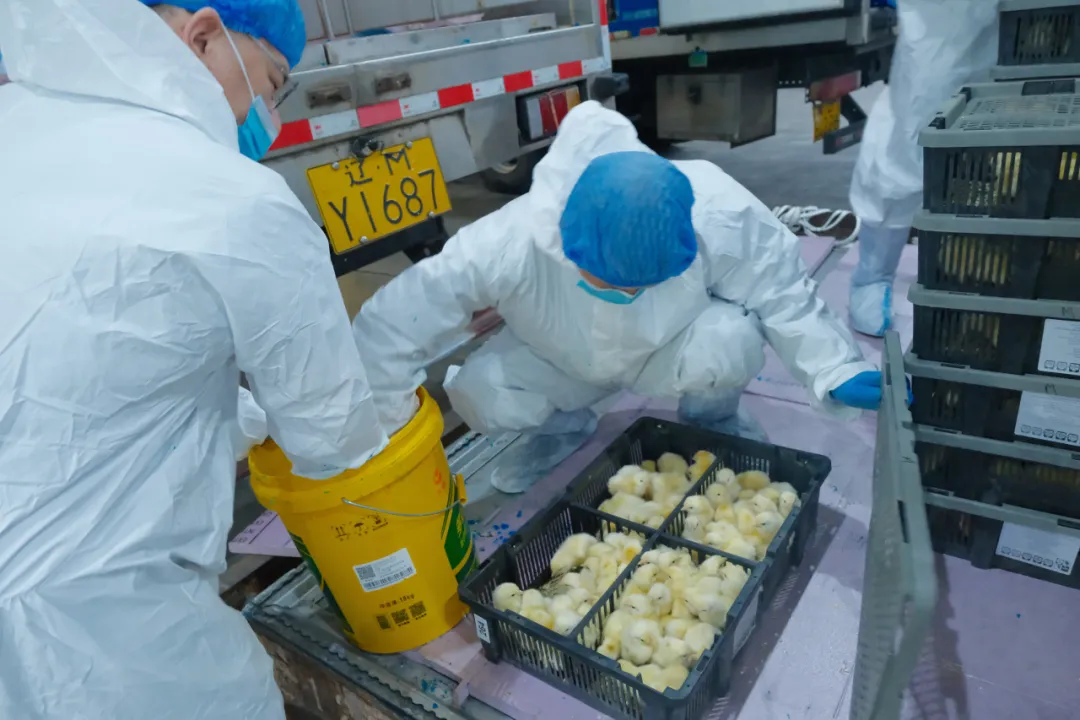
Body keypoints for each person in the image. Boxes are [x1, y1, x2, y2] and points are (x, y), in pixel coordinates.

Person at [0, 1, 390, 718]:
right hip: (94, 640)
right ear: (204, 36)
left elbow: (88, 368)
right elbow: (332, 436)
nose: (268, 113)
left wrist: (233, 415)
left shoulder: (17, 125)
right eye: (273, 82)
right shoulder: (235, 199)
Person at [353, 101, 881, 493]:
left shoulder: (716, 208)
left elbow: (782, 291)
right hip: (559, 358)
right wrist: (378, 435)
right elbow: (395, 323)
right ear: (567, 241)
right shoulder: (506, 243)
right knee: (480, 390)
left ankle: (712, 420)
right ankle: (561, 429)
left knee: (732, 339)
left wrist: (834, 366)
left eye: (644, 283)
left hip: (666, 349)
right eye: (612, 281)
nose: (627, 294)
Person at [848, 0, 999, 336]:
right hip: (941, 23)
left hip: (1022, 28)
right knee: (914, 132)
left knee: (1005, 151)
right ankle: (872, 275)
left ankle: (989, 277)